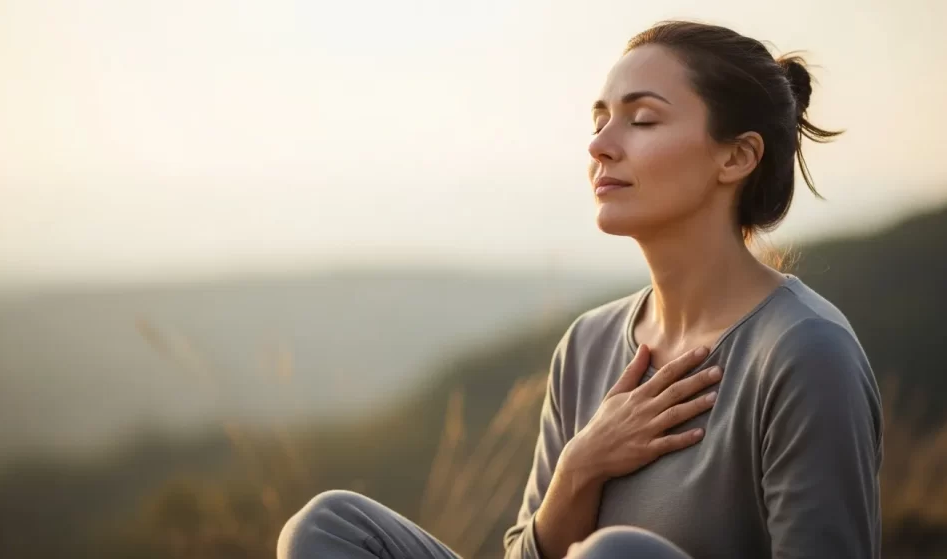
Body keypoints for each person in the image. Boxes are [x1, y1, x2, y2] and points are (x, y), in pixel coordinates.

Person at [277, 20, 883, 559]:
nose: (600, 146)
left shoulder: (805, 352)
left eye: (642, 119)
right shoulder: (589, 343)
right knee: (330, 526)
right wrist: (580, 467)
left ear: (737, 157)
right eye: (600, 121)